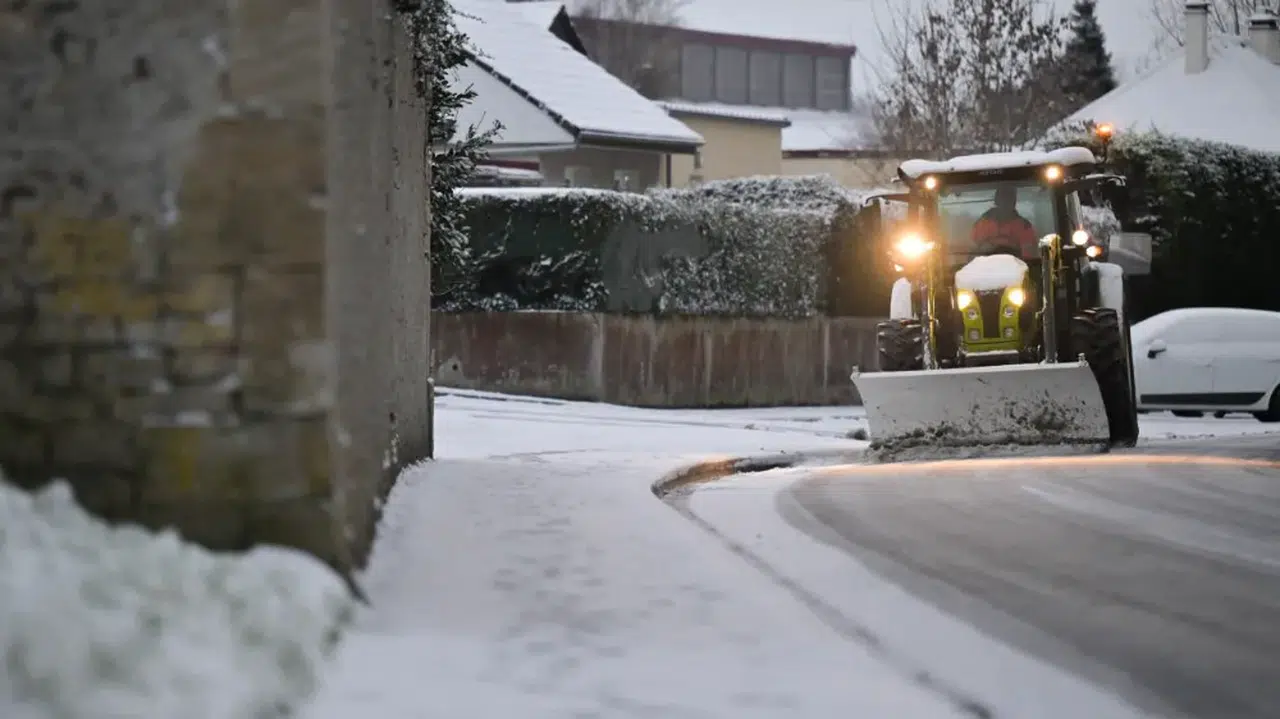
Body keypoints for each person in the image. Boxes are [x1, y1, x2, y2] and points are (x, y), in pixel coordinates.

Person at [970, 185, 1038, 258]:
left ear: (1014, 202)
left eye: (1009, 200)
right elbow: (972, 251)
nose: (1005, 204)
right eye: (1003, 200)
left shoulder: (1024, 227)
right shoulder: (982, 224)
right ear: (997, 201)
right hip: (985, 266)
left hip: (1015, 267)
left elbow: (1029, 257)